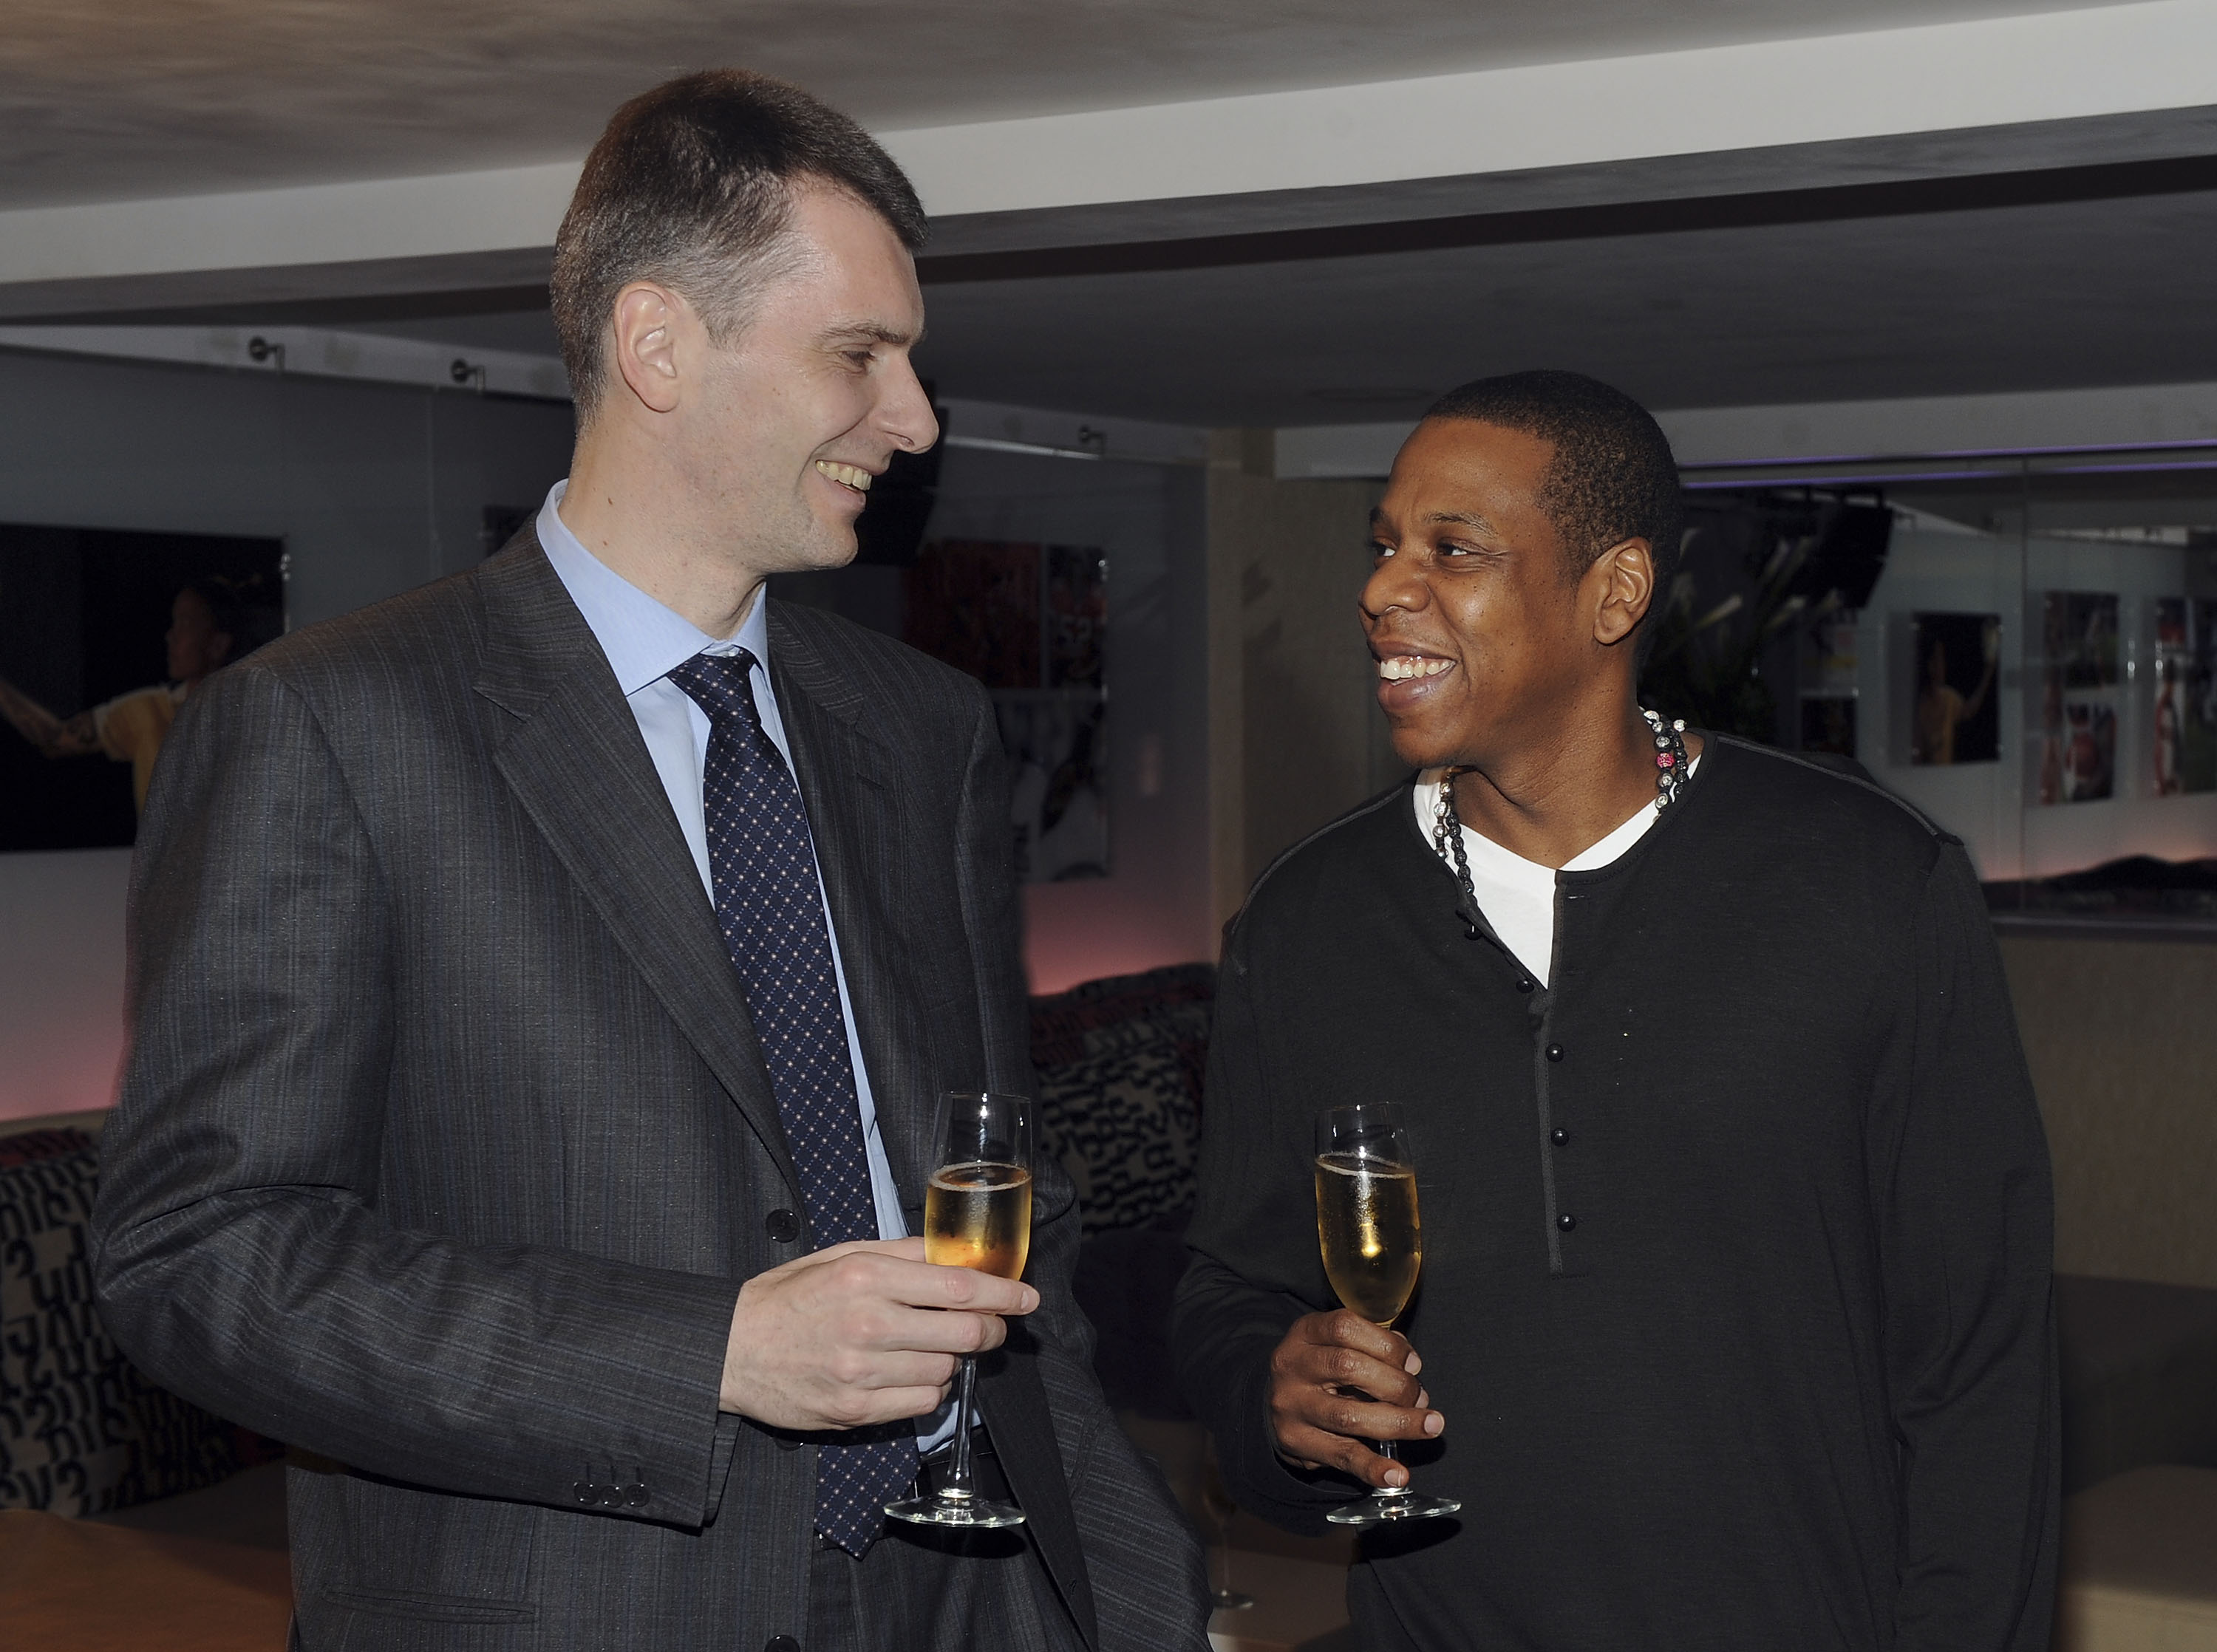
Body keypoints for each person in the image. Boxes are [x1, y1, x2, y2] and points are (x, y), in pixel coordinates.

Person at [92, 70, 1206, 1652]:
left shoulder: (923, 727)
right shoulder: (327, 727)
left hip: (967, 1593)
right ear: (657, 344)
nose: (917, 420)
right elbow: (197, 1253)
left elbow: (1005, 1188)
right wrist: (709, 1355)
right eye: (859, 355)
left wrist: (1135, 1590)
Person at [1174, 370, 2057, 1651]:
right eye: (1383, 546)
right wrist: (1274, 1392)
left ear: (1615, 592)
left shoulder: (1868, 882)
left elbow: (1983, 1368)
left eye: (1452, 549)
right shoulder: (1303, 926)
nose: (1381, 588)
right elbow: (1229, 1288)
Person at [0, 576, 248, 812]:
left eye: (184, 623)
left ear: (218, 644)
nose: (171, 636)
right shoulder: (147, 711)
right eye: (174, 623)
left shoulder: (256, 718)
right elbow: (56, 739)